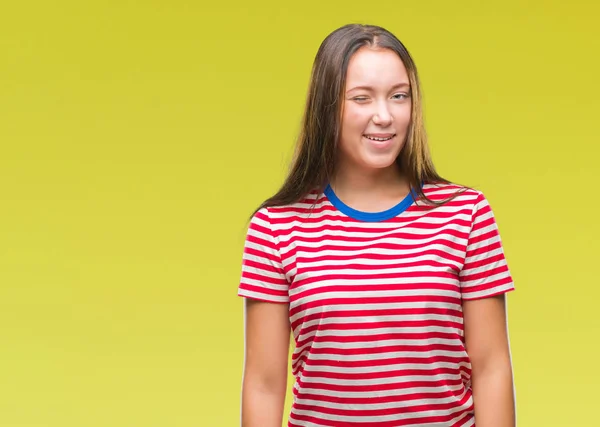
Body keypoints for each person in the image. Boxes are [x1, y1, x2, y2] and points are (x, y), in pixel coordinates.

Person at [237, 23, 516, 427]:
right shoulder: (276, 226)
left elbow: (491, 368)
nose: (384, 116)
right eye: (361, 98)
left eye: (399, 97)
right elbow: (263, 384)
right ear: (327, 107)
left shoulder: (465, 213)